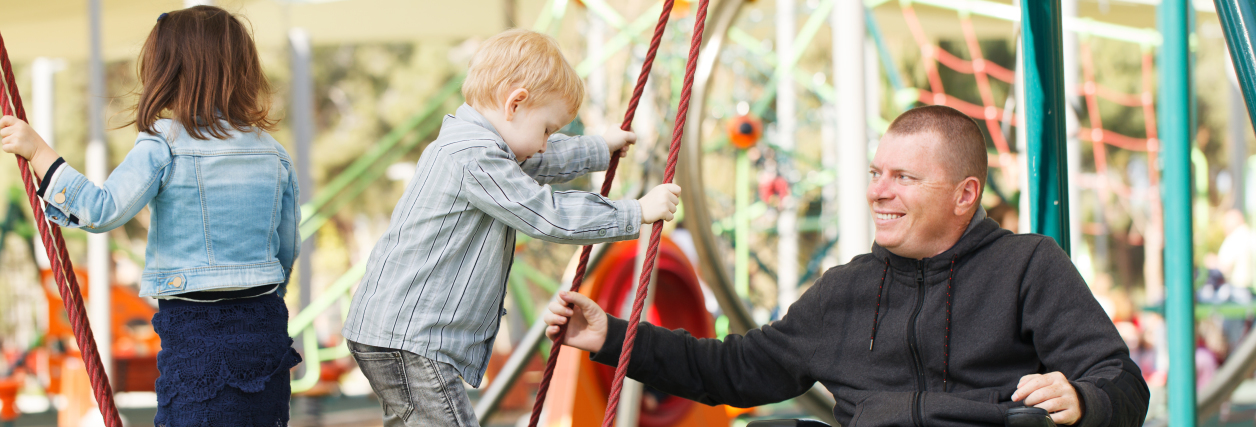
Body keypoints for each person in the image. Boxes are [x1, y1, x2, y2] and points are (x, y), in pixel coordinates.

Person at [545, 105, 1150, 426]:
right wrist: (609, 336)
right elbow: (735, 370)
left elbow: (1119, 382)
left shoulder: (1027, 267)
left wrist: (1083, 399)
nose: (878, 192)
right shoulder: (849, 290)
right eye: (875, 174)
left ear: (964, 195)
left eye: (904, 178)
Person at [341, 29, 681, 427]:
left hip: (394, 334)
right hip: (413, 341)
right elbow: (546, 213)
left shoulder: (476, 144)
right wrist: (635, 211)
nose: (543, 143)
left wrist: (596, 148)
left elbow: (537, 160)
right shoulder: (474, 157)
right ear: (515, 103)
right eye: (547, 129)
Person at [1, 6, 302, 426]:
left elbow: (101, 209)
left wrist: (39, 152)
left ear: (169, 72)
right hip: (263, 327)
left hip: (197, 332)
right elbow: (287, 246)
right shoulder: (272, 151)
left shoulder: (164, 143)